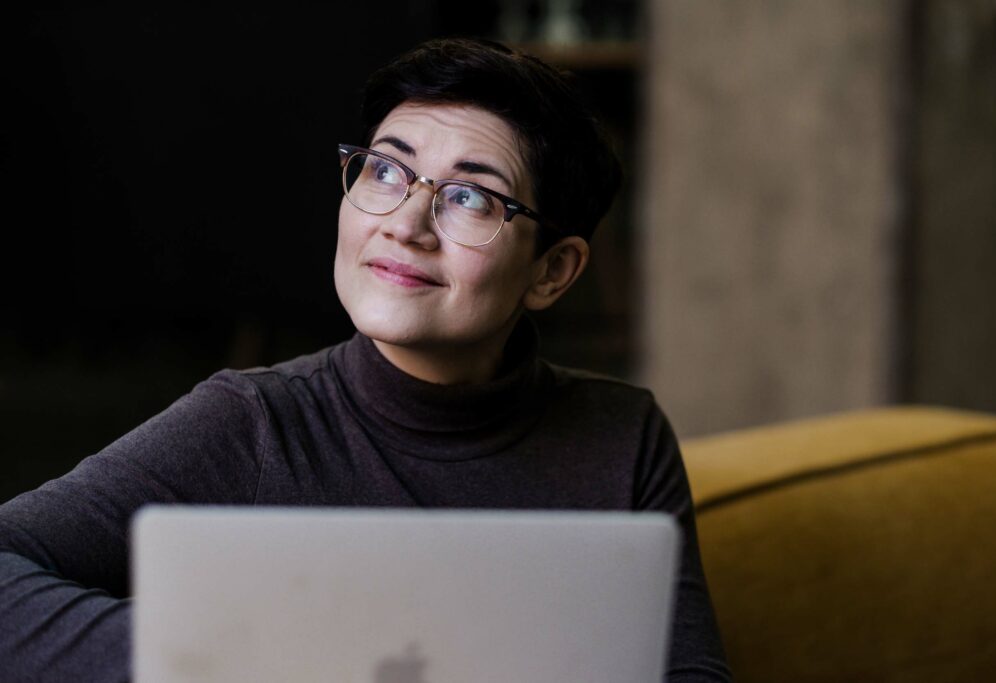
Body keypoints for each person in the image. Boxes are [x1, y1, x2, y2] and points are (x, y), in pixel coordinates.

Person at [0, 38, 732, 682]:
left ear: (553, 271)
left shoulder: (623, 435)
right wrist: (217, 662)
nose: (406, 224)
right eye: (385, 171)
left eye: (472, 197)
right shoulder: (253, 422)